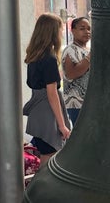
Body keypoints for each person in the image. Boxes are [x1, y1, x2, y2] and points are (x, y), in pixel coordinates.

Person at [23, 13, 72, 164]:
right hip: (47, 113)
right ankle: (43, 187)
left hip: (37, 111)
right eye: (60, 30)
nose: (62, 33)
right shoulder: (49, 58)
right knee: (50, 156)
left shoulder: (34, 56)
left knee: (46, 153)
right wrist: (62, 124)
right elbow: (52, 94)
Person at [62, 17, 91, 125]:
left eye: (89, 29)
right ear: (73, 31)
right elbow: (71, 74)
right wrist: (90, 57)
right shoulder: (70, 50)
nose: (87, 32)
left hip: (88, 102)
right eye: (82, 29)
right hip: (76, 104)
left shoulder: (86, 50)